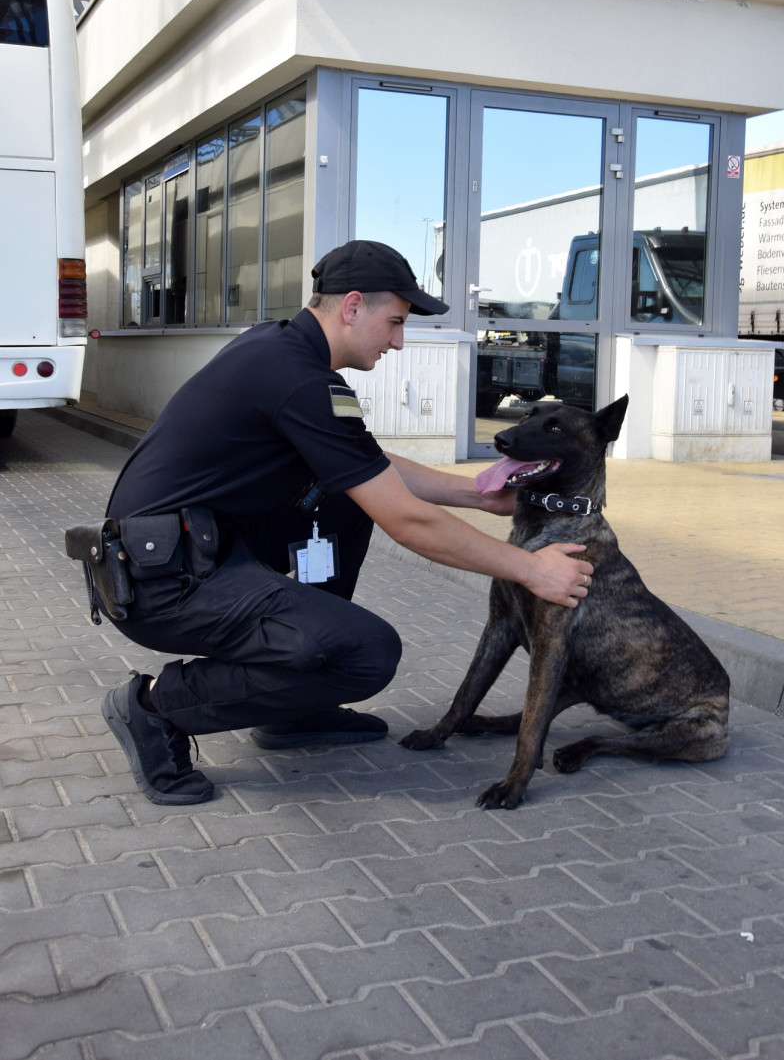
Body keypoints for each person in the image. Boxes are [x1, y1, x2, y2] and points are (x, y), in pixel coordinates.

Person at [100, 240, 593, 805]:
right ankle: (152, 709)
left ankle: (295, 708)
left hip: (194, 552)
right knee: (367, 652)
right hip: (165, 583)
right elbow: (410, 523)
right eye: (395, 323)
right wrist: (531, 569)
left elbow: (370, 468)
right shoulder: (303, 380)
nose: (399, 341)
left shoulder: (278, 349)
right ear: (353, 306)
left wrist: (476, 495)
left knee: (341, 501)